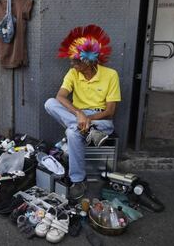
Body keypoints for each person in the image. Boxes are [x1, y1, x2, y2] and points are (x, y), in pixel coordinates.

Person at [44, 25, 121, 200]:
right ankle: (88, 132)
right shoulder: (73, 73)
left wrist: (89, 118)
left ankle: (77, 180)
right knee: (50, 103)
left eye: (75, 61)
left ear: (88, 61)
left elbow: (110, 111)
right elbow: (61, 96)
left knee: (72, 133)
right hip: (77, 116)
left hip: (101, 120)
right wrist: (79, 114)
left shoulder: (111, 75)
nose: (72, 64)